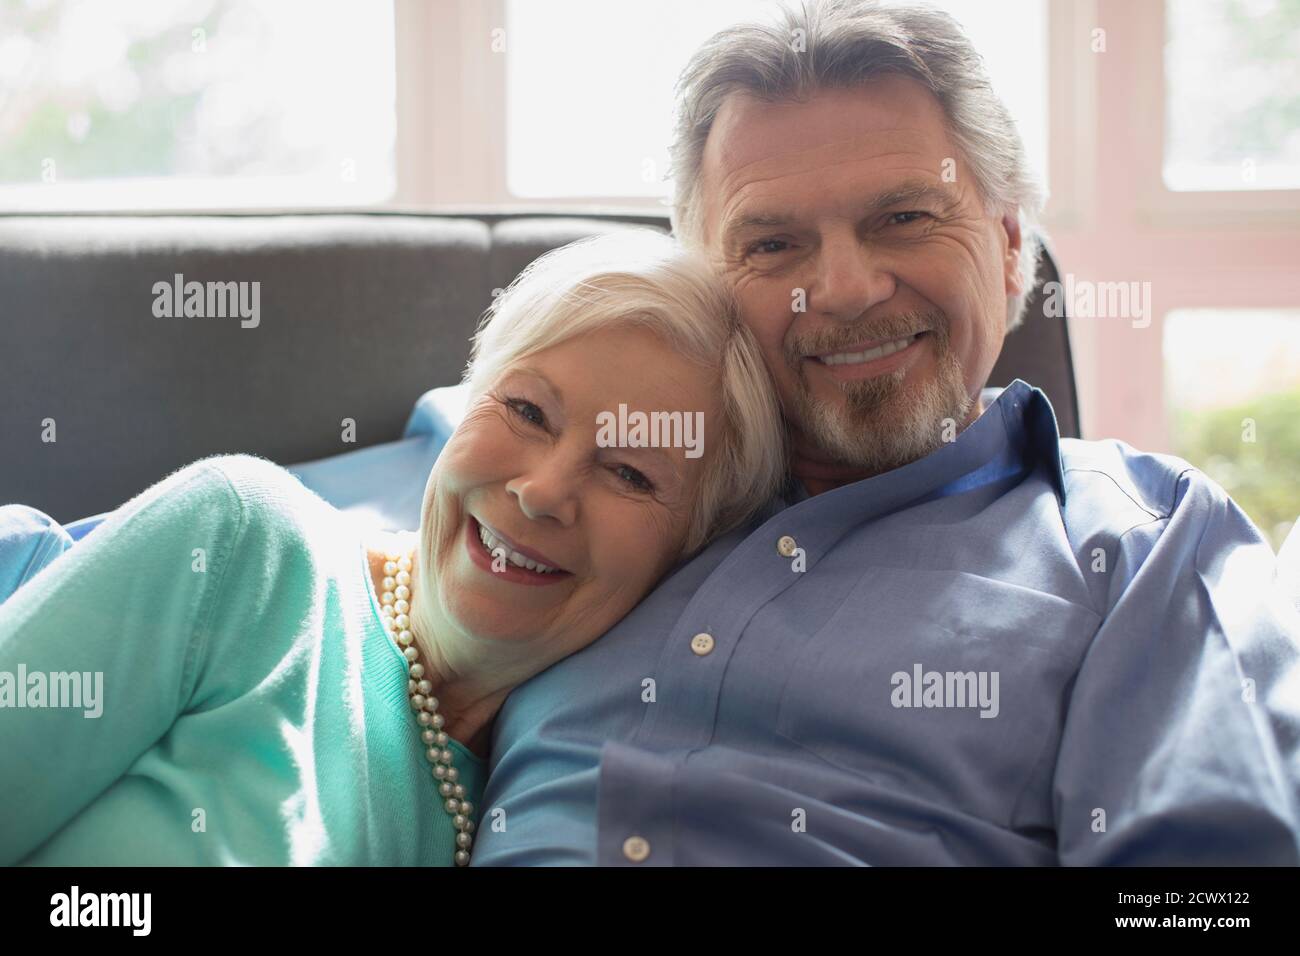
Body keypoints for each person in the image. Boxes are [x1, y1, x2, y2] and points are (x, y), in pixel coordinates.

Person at [470, 0, 1300, 865]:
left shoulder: (1147, 543)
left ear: (1012, 244)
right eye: (773, 244)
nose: (845, 288)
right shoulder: (565, 481)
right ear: (706, 286)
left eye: (903, 219)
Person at [0, 230, 787, 866]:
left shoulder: (550, 811)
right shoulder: (244, 544)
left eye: (628, 471)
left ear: (691, 553)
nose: (543, 491)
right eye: (525, 410)